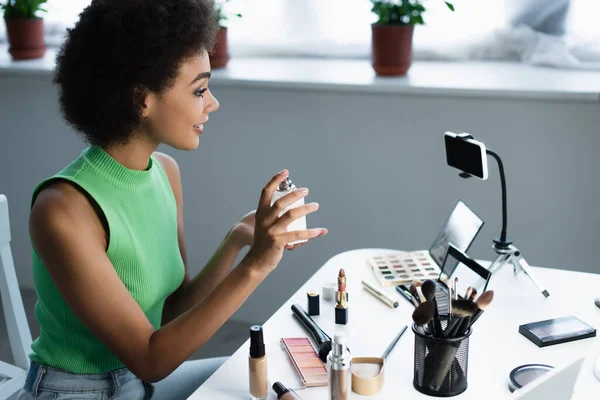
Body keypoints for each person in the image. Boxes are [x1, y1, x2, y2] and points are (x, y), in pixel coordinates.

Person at [16, 1, 327, 399]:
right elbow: (151, 358)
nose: (213, 102)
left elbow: (170, 313)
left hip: (141, 385)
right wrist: (256, 266)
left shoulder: (164, 172)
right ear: (142, 99)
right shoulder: (63, 209)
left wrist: (236, 239)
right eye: (199, 89)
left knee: (260, 380)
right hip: (77, 391)